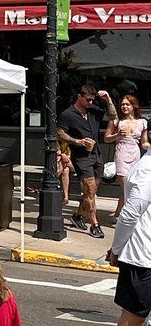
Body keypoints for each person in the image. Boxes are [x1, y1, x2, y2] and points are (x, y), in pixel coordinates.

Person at [100, 141, 151, 326]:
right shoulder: (147, 169)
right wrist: (117, 249)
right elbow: (130, 214)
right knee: (131, 323)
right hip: (144, 259)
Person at [60, 85, 104, 238]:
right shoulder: (68, 114)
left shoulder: (93, 110)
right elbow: (59, 132)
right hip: (81, 158)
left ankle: (77, 216)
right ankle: (94, 224)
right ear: (79, 96)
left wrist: (109, 100)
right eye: (88, 99)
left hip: (97, 154)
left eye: (92, 99)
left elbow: (112, 116)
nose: (90, 102)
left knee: (91, 191)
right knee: (90, 189)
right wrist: (76, 141)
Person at [103, 90, 149, 224]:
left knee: (131, 187)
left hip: (135, 154)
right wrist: (117, 136)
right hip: (121, 153)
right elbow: (106, 138)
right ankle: (128, 218)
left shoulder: (142, 122)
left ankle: (118, 214)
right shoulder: (117, 122)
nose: (124, 107)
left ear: (134, 106)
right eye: (123, 105)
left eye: (127, 104)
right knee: (126, 187)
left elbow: (144, 143)